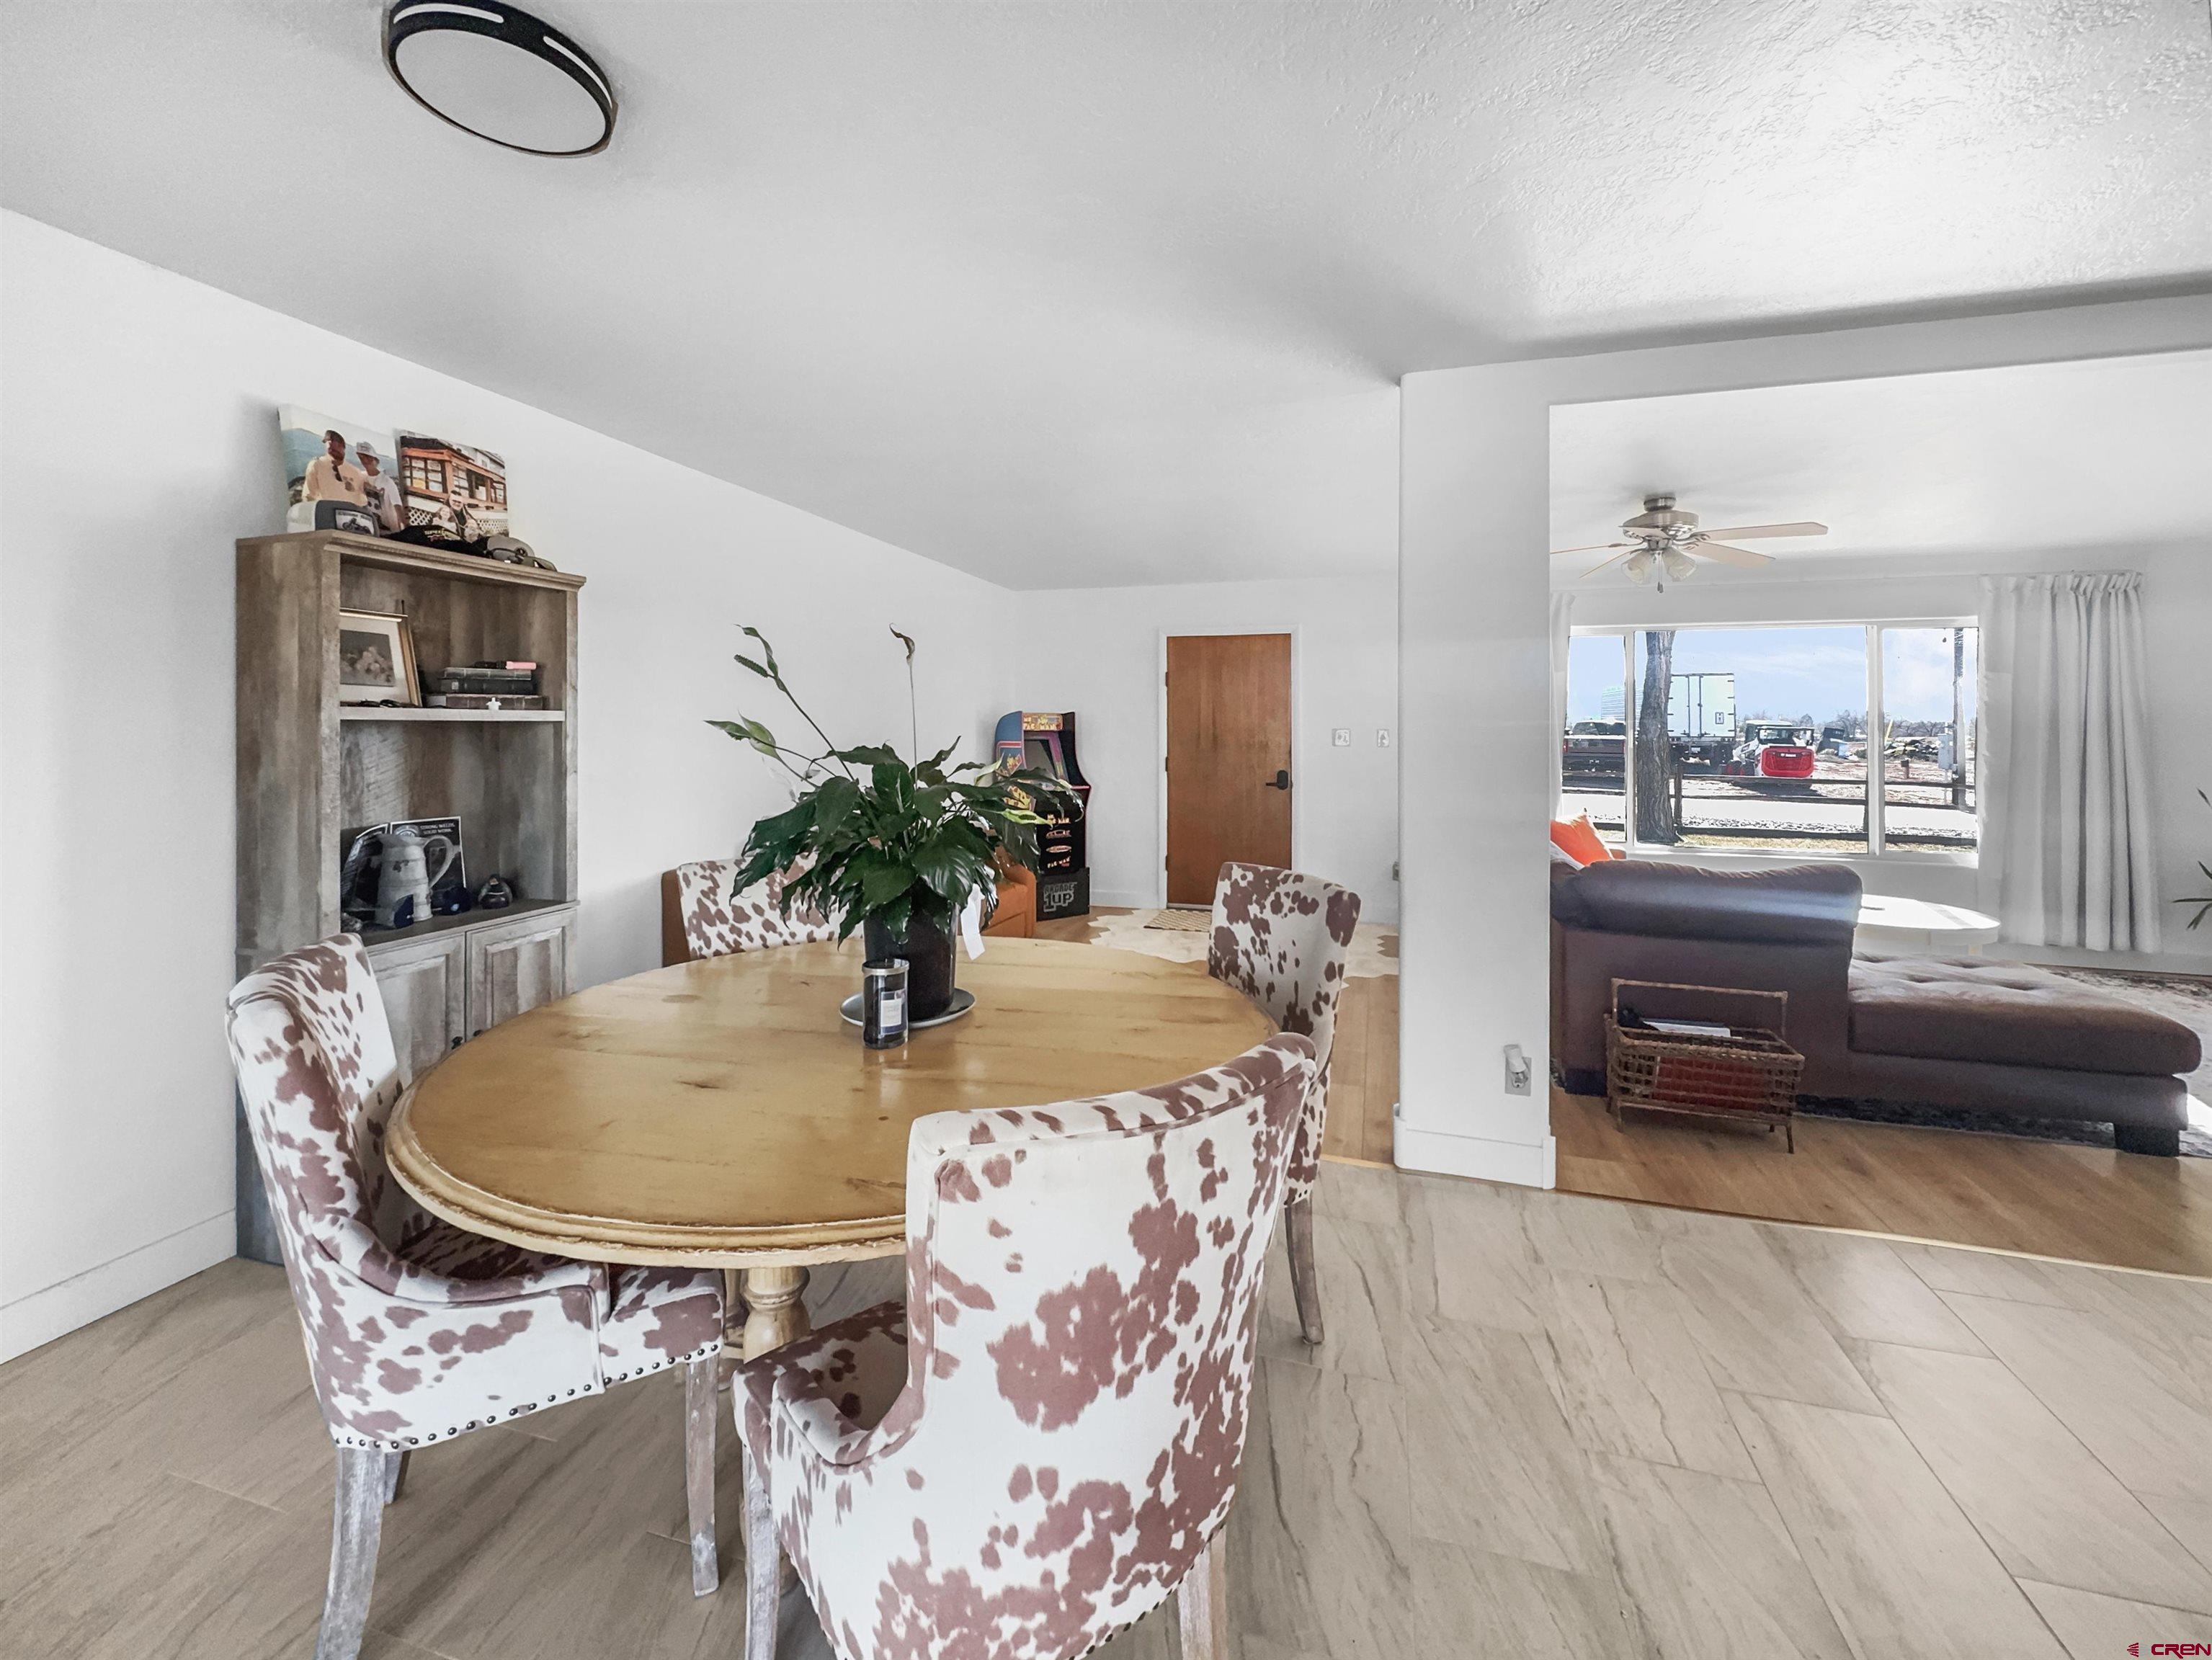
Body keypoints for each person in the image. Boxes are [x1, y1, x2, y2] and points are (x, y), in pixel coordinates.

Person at [301, 429, 367, 505]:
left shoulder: (356, 473)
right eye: (328, 443)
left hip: (350, 514)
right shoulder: (317, 465)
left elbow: (362, 502)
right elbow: (308, 496)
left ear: (342, 446)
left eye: (334, 443)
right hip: (326, 513)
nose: (329, 445)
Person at [354, 441, 404, 532]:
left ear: (373, 459)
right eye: (361, 457)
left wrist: (403, 530)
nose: (364, 460)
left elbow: (398, 507)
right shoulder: (361, 476)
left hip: (388, 529)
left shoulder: (387, 482)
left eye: (366, 457)